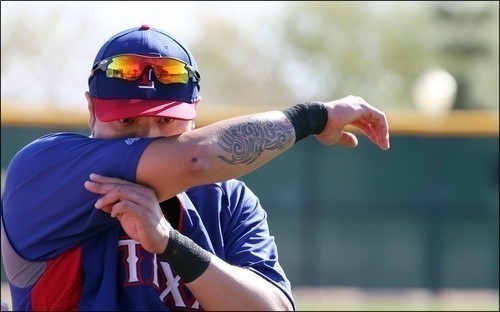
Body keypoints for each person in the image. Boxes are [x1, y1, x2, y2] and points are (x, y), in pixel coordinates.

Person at [1, 24, 390, 311]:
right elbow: (197, 159)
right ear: (91, 111)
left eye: (167, 123)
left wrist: (173, 246)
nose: (149, 136)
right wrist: (315, 118)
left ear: (193, 117)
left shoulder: (227, 199)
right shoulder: (43, 172)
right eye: (126, 124)